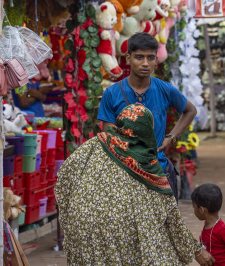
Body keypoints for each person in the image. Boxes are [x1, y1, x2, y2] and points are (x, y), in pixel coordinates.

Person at [55, 104, 215, 265]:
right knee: (155, 248)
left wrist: (73, 213)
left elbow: (64, 177)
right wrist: (196, 250)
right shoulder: (146, 163)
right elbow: (171, 216)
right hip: (119, 236)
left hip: (82, 229)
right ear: (146, 132)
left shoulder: (95, 144)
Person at [97, 33, 197, 197]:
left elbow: (190, 111)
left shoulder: (165, 89)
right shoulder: (112, 93)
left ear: (156, 61)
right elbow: (109, 137)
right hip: (125, 174)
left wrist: (171, 137)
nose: (145, 63)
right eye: (139, 57)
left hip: (159, 170)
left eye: (150, 58)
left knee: (163, 222)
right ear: (128, 59)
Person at [191, 184, 225, 266]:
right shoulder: (207, 224)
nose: (194, 210)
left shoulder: (221, 230)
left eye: (194, 207)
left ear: (201, 210)